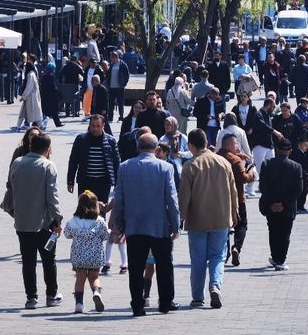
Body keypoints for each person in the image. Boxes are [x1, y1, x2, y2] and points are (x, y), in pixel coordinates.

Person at [112, 133, 181, 316]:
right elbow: (172, 200)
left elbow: (119, 198)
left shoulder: (124, 167)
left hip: (135, 226)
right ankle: (165, 303)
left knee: (136, 267)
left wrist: (118, 223)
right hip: (159, 226)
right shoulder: (165, 168)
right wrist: (175, 225)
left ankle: (137, 304)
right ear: (157, 148)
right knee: (164, 265)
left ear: (137, 147)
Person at [179, 129, 238, 309]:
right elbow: (233, 192)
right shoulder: (223, 163)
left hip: (197, 220)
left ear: (190, 145)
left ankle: (197, 296)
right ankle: (215, 285)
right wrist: (234, 214)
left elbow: (184, 197)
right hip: (221, 218)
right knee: (217, 256)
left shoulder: (190, 165)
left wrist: (181, 217)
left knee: (198, 259)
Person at [9, 133, 64, 310]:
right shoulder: (48, 166)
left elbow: (11, 187)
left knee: (28, 261)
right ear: (47, 149)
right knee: (49, 260)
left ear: (31, 146)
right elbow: (52, 196)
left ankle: (31, 298)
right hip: (44, 223)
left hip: (22, 221)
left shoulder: (17, 163)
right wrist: (57, 219)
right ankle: (51, 294)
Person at [259, 139, 303, 271]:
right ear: (290, 151)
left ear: (276, 150)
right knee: (285, 234)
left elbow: (263, 187)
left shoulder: (266, 164)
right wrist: (283, 203)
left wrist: (273, 203)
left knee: (273, 232)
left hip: (270, 206)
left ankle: (275, 257)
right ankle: (280, 260)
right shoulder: (296, 167)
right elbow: (298, 190)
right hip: (288, 207)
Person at [64, 190, 109, 313]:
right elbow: (106, 236)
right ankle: (96, 292)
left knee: (80, 278)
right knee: (94, 276)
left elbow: (67, 234)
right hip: (95, 255)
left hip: (79, 256)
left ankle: (79, 304)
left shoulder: (74, 221)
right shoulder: (99, 221)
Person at [216, 134, 254, 267]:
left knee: (224, 227)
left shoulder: (216, 157)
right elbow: (243, 178)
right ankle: (236, 247)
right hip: (237, 198)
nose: (237, 147)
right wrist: (251, 172)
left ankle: (224, 253)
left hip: (219, 199)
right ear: (228, 145)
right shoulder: (235, 161)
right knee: (242, 225)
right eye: (235, 144)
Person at [67, 115, 120, 206]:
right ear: (89, 125)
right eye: (93, 126)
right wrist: (70, 181)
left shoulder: (111, 141)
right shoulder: (81, 139)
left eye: (98, 126)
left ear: (103, 125)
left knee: (101, 211)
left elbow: (116, 163)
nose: (95, 129)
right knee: (84, 211)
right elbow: (73, 161)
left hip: (103, 182)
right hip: (85, 181)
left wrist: (118, 184)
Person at [11, 62, 43, 131]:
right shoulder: (31, 74)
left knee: (34, 113)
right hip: (30, 97)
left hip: (31, 97)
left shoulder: (30, 75)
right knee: (25, 113)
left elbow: (29, 87)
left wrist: (24, 96)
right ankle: (18, 126)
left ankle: (41, 126)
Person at [106, 51, 130, 122]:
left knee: (120, 103)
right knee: (111, 103)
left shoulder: (123, 64)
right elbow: (109, 75)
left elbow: (127, 75)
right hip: (112, 87)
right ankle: (110, 117)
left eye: (111, 57)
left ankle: (121, 117)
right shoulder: (111, 65)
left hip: (120, 87)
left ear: (115, 57)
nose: (110, 59)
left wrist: (124, 84)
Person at [289, 137, 308, 213]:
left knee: (304, 191)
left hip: (303, 176)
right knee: (302, 192)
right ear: (300, 145)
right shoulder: (296, 153)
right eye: (305, 145)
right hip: (300, 176)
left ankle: (300, 206)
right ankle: (299, 207)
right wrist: (305, 173)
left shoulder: (301, 153)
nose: (307, 147)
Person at [39, 62, 64, 130]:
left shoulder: (43, 75)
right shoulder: (51, 76)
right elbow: (53, 87)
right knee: (54, 111)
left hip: (44, 96)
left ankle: (40, 124)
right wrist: (59, 93)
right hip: (51, 96)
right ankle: (57, 123)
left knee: (45, 111)